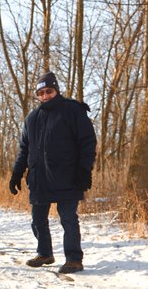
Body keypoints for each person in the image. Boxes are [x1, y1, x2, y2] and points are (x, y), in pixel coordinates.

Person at [9, 72, 97, 274]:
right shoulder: (32, 119)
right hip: (39, 178)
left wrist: (85, 170)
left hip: (68, 176)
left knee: (68, 218)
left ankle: (74, 259)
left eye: (49, 91)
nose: (45, 96)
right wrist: (16, 173)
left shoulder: (73, 111)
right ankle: (45, 253)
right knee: (37, 219)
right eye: (41, 93)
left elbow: (87, 142)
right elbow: (24, 149)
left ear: (56, 90)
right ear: (37, 95)